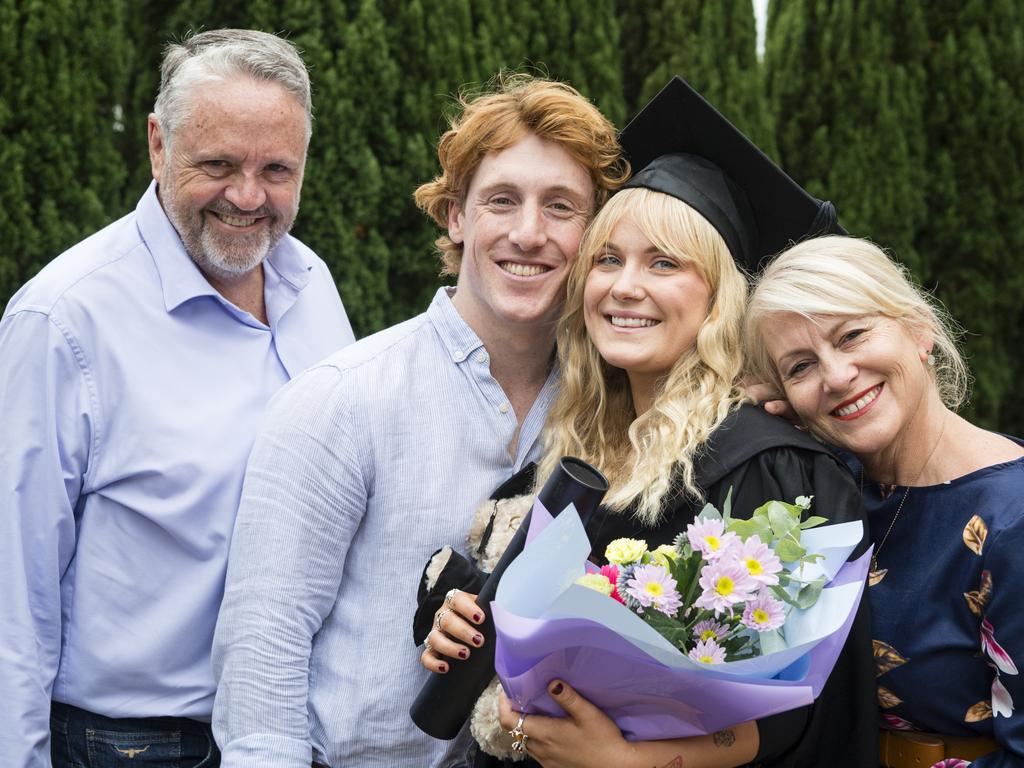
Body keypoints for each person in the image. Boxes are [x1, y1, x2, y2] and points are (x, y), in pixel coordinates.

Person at [420, 77, 876, 768]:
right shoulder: (575, 450)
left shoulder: (772, 469)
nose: (624, 286)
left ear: (719, 296)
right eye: (607, 259)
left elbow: (802, 711)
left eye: (664, 263)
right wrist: (457, 618)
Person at [210, 74, 627, 767]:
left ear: (593, 235)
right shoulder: (343, 401)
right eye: (501, 201)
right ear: (456, 217)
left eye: (561, 207)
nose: (529, 233)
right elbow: (263, 654)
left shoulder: (610, 417)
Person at [0, 29, 354, 768]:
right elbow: (12, 601)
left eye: (276, 169)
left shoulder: (311, 285)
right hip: (130, 745)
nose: (248, 197)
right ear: (158, 145)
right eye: (218, 164)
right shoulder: (63, 323)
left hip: (295, 733)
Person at [744, 235, 1024, 767]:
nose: (836, 376)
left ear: (919, 330)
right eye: (800, 367)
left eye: (851, 335)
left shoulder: (1011, 521)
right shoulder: (832, 495)